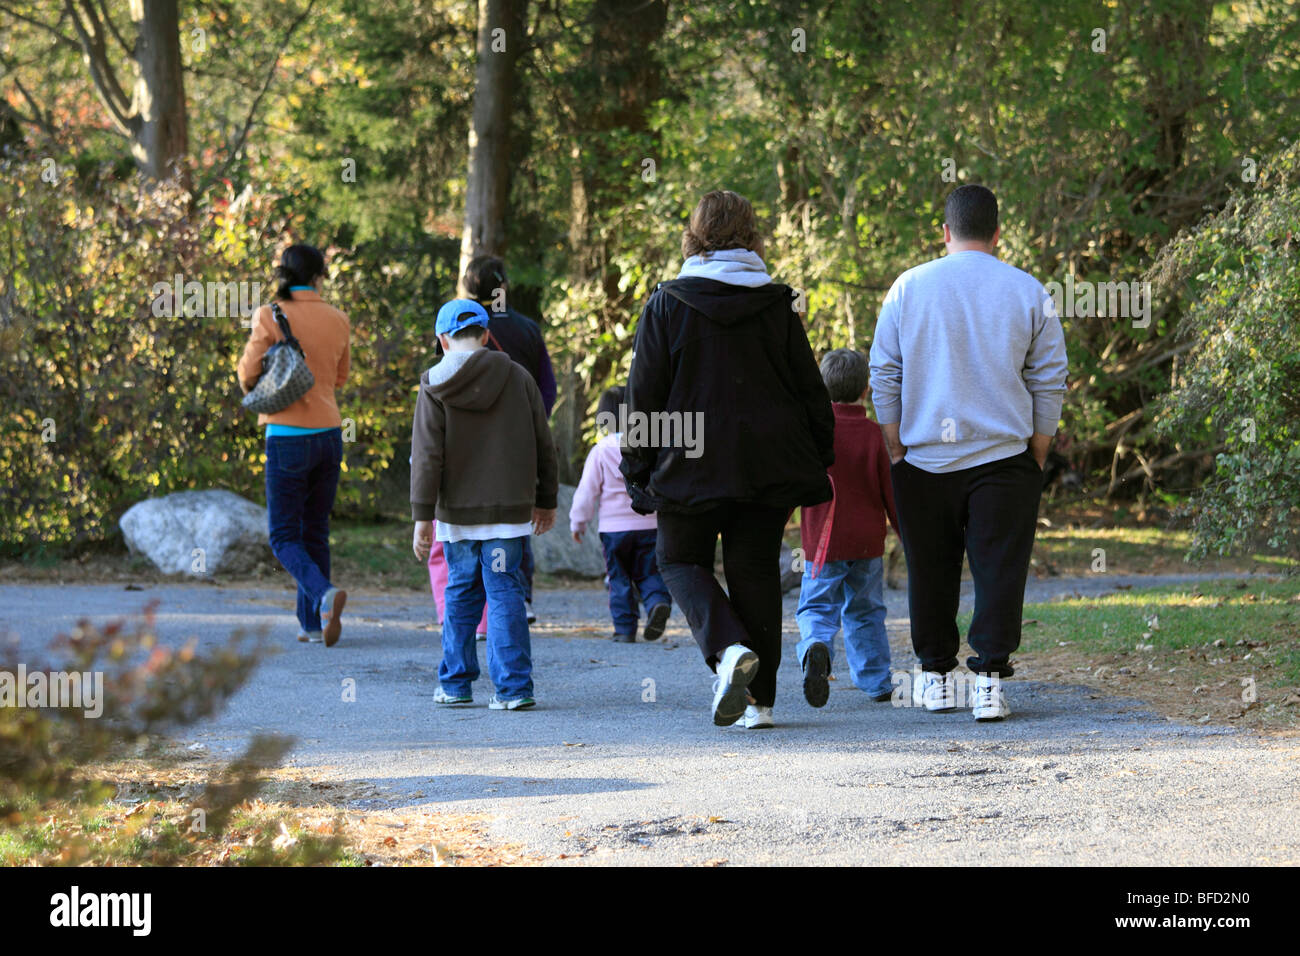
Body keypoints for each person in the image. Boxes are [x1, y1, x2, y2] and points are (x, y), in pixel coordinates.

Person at [622, 189, 834, 730]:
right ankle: (760, 703)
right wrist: (820, 455)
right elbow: (810, 391)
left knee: (678, 561)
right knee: (756, 571)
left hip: (686, 465)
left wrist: (637, 469)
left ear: (694, 236)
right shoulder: (780, 304)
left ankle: (728, 648)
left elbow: (644, 396)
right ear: (751, 237)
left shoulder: (666, 304)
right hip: (767, 466)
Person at [868, 184, 1068, 721]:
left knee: (929, 570)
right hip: (1004, 456)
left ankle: (935, 677)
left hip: (924, 457)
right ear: (998, 233)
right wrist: (1038, 448)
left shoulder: (908, 287)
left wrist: (894, 445)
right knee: (1000, 570)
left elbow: (884, 371)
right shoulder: (1029, 291)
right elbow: (1050, 377)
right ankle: (991, 682)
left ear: (945, 231)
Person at [410, 299, 558, 710]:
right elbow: (544, 444)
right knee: (505, 590)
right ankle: (513, 689)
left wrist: (422, 518)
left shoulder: (433, 384)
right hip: (508, 517)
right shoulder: (519, 377)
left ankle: (456, 684)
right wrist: (546, 500)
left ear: (442, 341)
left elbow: (426, 457)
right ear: (487, 336)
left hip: (458, 518)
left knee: (460, 592)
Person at [426, 255, 556, 628]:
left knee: (465, 543)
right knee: (515, 517)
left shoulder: (453, 327)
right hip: (519, 441)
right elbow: (548, 384)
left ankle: (471, 626)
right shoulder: (527, 329)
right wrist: (532, 422)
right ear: (505, 286)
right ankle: (521, 595)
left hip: (463, 446)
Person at [237, 244, 351, 647]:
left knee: (284, 535)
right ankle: (312, 624)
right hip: (329, 435)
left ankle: (322, 594)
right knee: (315, 529)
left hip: (286, 437)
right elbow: (340, 378)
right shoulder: (338, 318)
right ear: (320, 274)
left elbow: (248, 373)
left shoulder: (269, 315)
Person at [795, 348, 899, 707]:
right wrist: (907, 535)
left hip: (823, 543)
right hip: (867, 543)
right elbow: (892, 494)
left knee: (817, 607)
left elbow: (793, 485)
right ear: (866, 390)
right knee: (866, 610)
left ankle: (816, 648)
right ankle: (877, 681)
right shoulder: (875, 436)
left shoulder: (812, 434)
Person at [571, 386, 672, 643]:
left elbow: (587, 491)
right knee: (650, 572)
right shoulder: (650, 445)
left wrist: (578, 521)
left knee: (619, 578)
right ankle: (657, 602)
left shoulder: (602, 450)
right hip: (649, 523)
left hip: (614, 530)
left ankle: (625, 629)